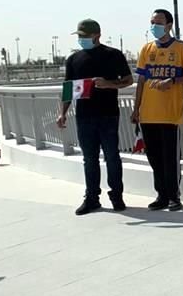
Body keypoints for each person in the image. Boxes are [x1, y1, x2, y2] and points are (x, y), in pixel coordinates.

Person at [56, 19, 133, 216]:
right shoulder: (73, 59)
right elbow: (68, 89)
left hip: (108, 114)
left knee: (112, 157)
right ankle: (91, 198)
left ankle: (116, 195)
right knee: (89, 159)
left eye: (84, 35)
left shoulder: (113, 55)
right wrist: (62, 113)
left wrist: (108, 84)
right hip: (84, 116)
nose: (81, 39)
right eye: (79, 36)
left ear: (96, 35)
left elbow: (128, 80)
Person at [131, 9, 183, 212]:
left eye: (158, 23)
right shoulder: (146, 49)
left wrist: (173, 80)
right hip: (148, 114)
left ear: (169, 25)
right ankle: (161, 195)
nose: (154, 27)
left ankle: (174, 196)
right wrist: (136, 109)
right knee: (154, 158)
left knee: (170, 157)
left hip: (169, 114)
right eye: (152, 22)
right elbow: (140, 81)